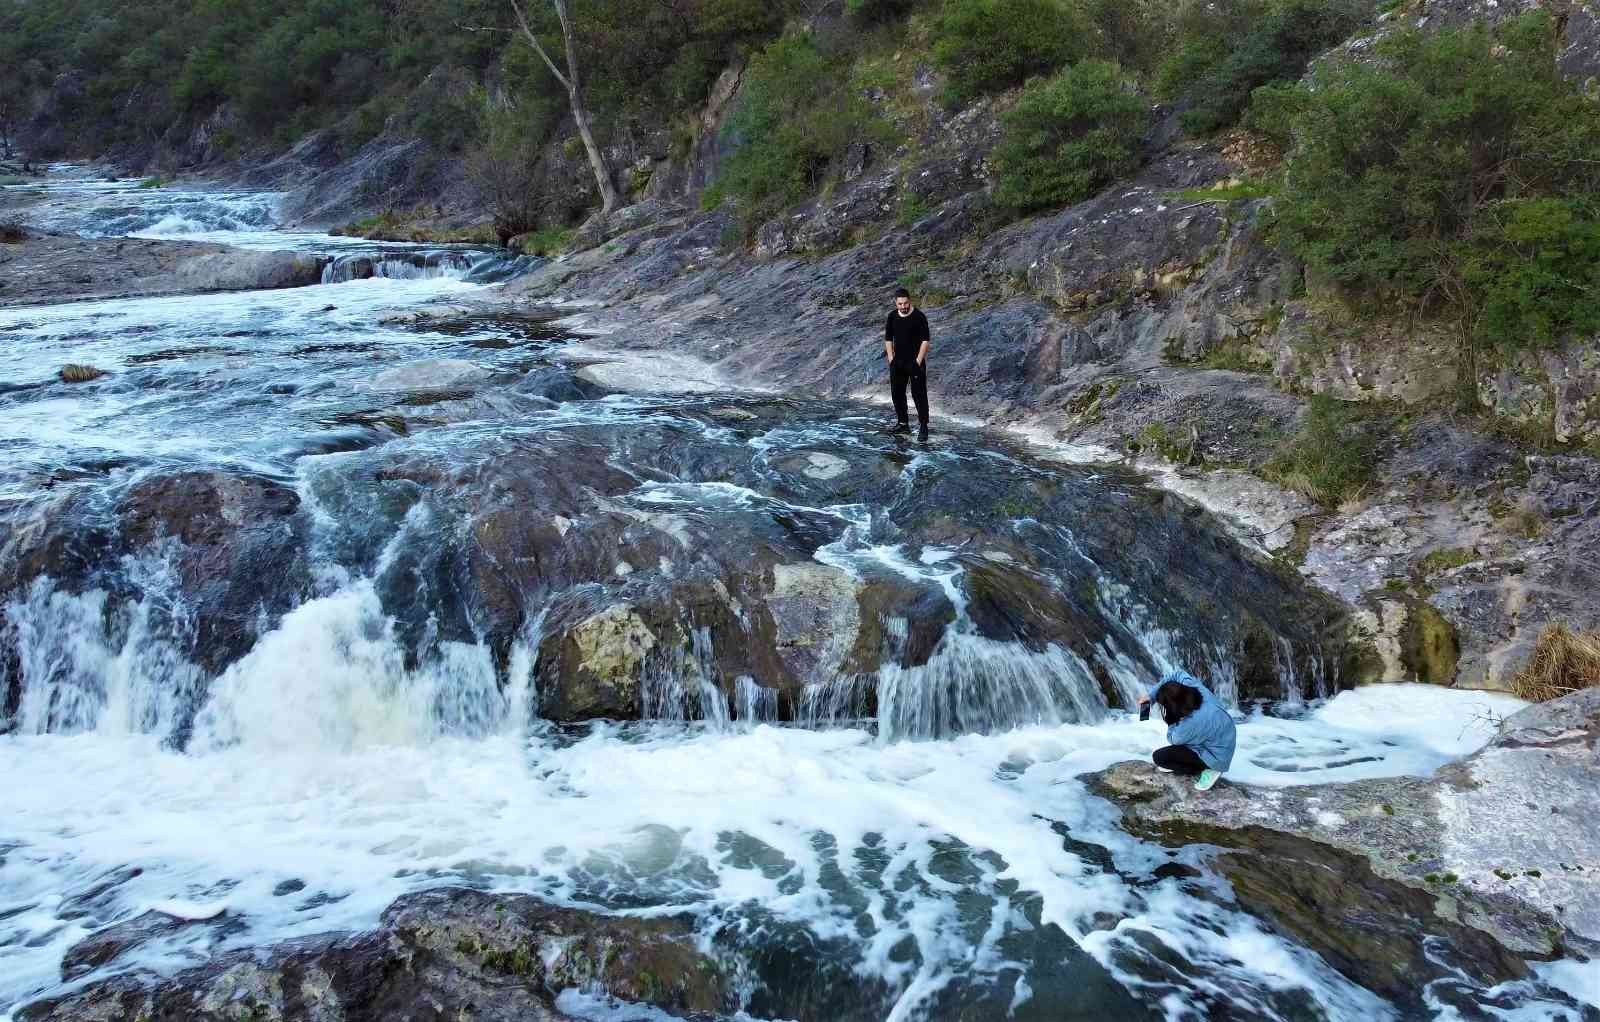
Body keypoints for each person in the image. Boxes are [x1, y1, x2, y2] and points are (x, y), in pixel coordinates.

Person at [1137, 668, 1236, 791]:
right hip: (1224, 736)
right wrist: (1150, 696)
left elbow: (1173, 739)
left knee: (1159, 757)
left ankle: (1211, 769)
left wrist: (1172, 719)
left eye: (1164, 706)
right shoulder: (1193, 688)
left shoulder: (1190, 724)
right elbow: (1176, 674)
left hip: (1217, 756)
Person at [883, 287, 931, 441]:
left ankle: (923, 426)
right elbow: (888, 338)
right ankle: (903, 423)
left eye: (905, 303)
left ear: (910, 301)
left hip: (915, 362)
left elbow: (925, 340)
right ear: (896, 303)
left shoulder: (919, 316)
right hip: (898, 362)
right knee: (897, 394)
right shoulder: (892, 316)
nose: (903, 306)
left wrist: (918, 361)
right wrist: (891, 359)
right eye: (900, 304)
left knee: (919, 394)